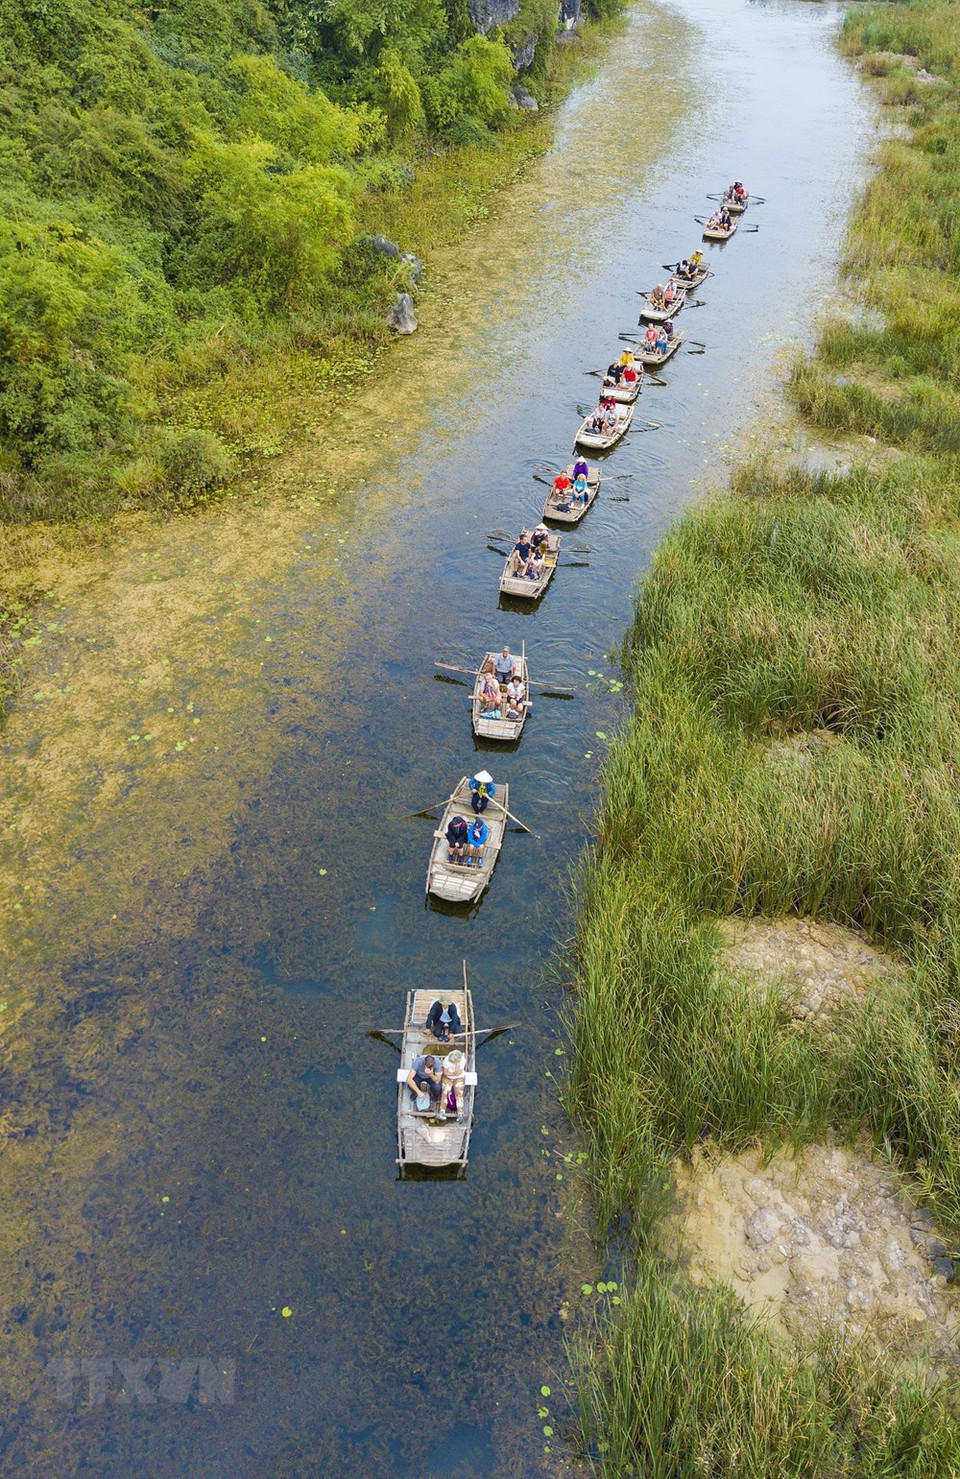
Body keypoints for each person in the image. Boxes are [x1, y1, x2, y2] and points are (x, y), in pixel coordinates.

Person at [439, 1048, 467, 1122]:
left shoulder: (462, 1060)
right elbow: (445, 1072)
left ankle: (460, 1113)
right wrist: (453, 1073)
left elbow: (458, 1073)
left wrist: (454, 1071)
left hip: (459, 1077)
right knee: (445, 1092)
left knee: (459, 1094)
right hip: (448, 1077)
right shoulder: (446, 1060)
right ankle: (442, 1111)